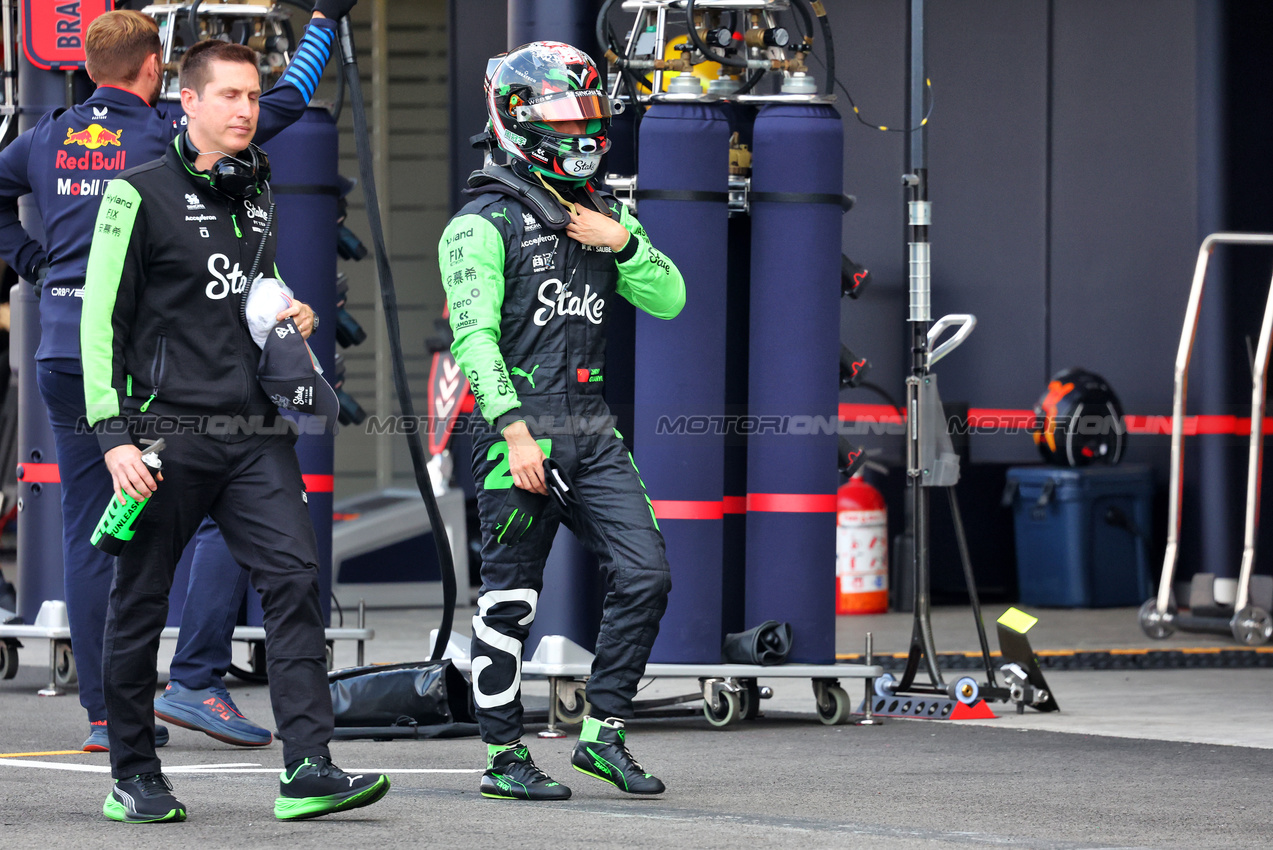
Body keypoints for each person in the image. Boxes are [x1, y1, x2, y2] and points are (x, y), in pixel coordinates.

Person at [0, 2, 354, 753]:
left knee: (97, 531)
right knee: (218, 515)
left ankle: (104, 716)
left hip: (63, 355)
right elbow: (284, 103)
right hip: (143, 363)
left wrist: (34, 267)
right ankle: (193, 677)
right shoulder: (164, 142)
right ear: (160, 73)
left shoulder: (47, 138)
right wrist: (322, 24)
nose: (241, 109)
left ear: (85, 69)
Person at [80, 39, 388, 823]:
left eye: (253, 96)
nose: (246, 110)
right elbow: (98, 321)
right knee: (141, 600)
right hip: (162, 432)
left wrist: (287, 308)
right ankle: (134, 775)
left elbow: (245, 284)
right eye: (230, 96)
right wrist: (113, 437)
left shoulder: (257, 188)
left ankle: (309, 768)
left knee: (292, 581)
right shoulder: (134, 193)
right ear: (186, 101)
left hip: (253, 430)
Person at [438, 41, 685, 801]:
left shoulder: (603, 215)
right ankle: (503, 758)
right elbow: (471, 339)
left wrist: (625, 241)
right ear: (515, 118)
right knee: (510, 602)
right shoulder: (477, 225)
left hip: (592, 431)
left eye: (588, 112)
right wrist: (512, 431)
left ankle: (602, 734)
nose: (580, 128)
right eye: (562, 113)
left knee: (646, 573)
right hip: (516, 433)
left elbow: (670, 298)